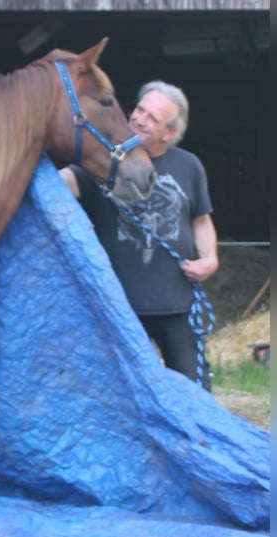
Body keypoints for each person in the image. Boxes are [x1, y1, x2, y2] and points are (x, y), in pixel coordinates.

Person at [60, 80, 218, 388]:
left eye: (152, 118)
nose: (138, 118)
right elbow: (61, 183)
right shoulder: (106, 159)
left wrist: (210, 259)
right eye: (140, 109)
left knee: (192, 390)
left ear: (169, 133)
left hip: (178, 305)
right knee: (121, 392)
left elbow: (200, 221)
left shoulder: (189, 165)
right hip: (119, 308)